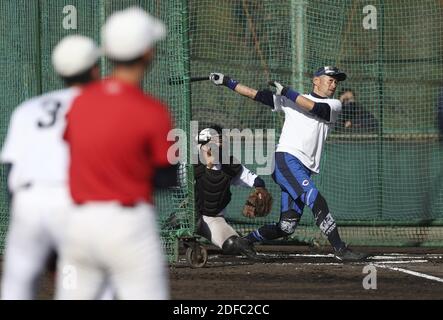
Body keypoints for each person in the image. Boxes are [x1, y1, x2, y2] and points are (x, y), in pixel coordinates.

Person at [56, 7, 177, 300]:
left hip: (78, 226)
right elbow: (166, 176)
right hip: (129, 225)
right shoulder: (152, 111)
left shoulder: (79, 103)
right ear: (147, 53)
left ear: (107, 52)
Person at [209, 66, 368, 261]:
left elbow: (314, 107)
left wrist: (286, 91)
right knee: (315, 198)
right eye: (330, 79)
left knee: (286, 227)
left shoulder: (334, 105)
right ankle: (340, 249)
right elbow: (255, 95)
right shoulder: (290, 100)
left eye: (336, 81)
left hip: (304, 168)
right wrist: (227, 81)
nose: (333, 84)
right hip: (287, 159)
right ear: (316, 80)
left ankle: (245, 241)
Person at [0, 35, 101, 299]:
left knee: (16, 287)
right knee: (79, 284)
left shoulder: (27, 109)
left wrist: (23, 216)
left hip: (28, 204)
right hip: (72, 204)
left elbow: (11, 172)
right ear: (95, 69)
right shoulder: (103, 107)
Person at [194, 125, 272, 259]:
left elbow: (253, 179)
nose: (219, 144)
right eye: (214, 140)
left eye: (221, 140)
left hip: (213, 218)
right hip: (189, 216)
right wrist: (207, 166)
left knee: (233, 244)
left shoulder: (229, 164)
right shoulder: (190, 164)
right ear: (203, 145)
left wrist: (260, 189)